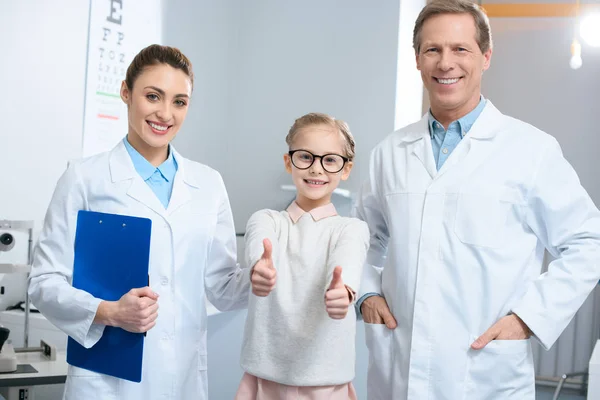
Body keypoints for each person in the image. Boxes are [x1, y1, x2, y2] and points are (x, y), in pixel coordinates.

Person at [354, 1, 600, 398]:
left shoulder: (531, 150)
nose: (445, 63)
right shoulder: (390, 152)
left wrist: (528, 318)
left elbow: (590, 242)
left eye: (460, 49)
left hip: (484, 373)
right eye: (432, 49)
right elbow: (365, 238)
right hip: (398, 368)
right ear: (417, 59)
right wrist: (366, 292)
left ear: (485, 57)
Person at [28, 44, 249, 400]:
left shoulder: (208, 183)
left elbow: (221, 288)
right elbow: (44, 281)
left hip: (184, 378)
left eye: (179, 101)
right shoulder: (84, 178)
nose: (165, 113)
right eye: (153, 96)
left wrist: (260, 279)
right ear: (125, 92)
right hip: (106, 382)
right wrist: (108, 312)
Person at [234, 113, 369, 400]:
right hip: (262, 384)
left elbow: (346, 267)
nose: (317, 169)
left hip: (327, 389)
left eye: (330, 160)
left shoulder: (351, 229)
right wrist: (260, 269)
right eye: (306, 157)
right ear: (288, 162)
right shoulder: (267, 220)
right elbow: (260, 248)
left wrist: (342, 292)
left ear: (346, 169)